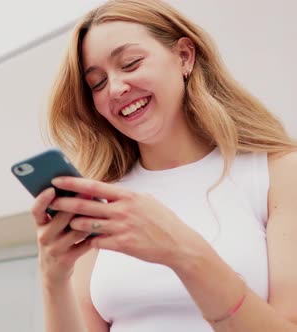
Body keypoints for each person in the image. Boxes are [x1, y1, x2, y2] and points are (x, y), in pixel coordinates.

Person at [30, 0, 297, 331]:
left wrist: (181, 251)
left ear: (184, 56)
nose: (115, 88)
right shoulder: (102, 197)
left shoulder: (278, 173)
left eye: (130, 63)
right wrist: (52, 279)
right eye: (97, 83)